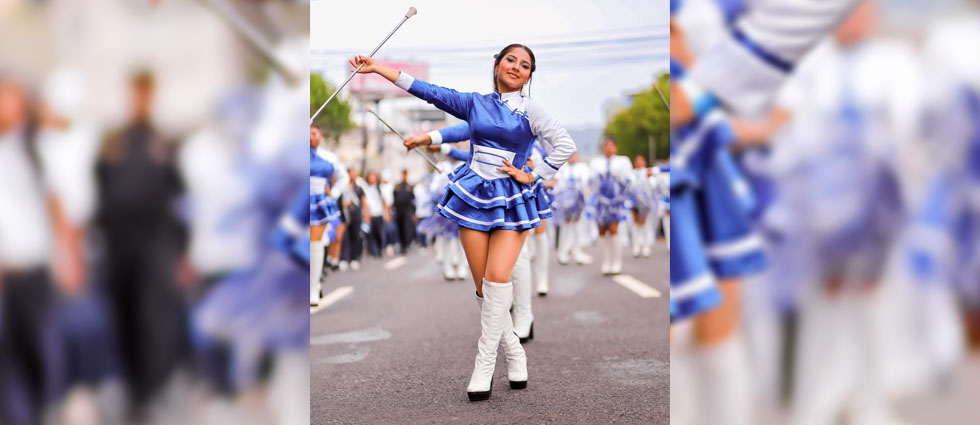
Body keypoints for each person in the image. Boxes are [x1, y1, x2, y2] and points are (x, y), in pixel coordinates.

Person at [351, 42, 576, 401]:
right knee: (484, 289)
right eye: (511, 60)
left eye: (525, 65)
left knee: (499, 279)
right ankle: (515, 352)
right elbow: (430, 92)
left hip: (513, 200)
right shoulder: (475, 103)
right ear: (498, 64)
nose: (517, 67)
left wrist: (533, 175)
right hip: (473, 197)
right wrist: (379, 69)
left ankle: (484, 364)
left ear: (531, 74)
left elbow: (564, 144)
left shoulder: (531, 109)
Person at [94, 70, 189, 418]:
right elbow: (99, 189)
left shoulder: (162, 143)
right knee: (124, 317)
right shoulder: (113, 142)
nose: (140, 101)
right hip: (119, 245)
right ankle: (132, 387)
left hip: (155, 244)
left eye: (145, 94)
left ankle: (151, 389)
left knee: (154, 320)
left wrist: (180, 249)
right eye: (136, 94)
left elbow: (180, 197)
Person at [589, 137, 634, 275]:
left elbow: (629, 179)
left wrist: (616, 175)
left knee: (614, 229)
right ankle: (606, 262)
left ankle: (616, 262)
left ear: (616, 148)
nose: (608, 148)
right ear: (603, 148)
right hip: (600, 203)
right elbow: (590, 181)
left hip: (616, 201)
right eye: (606, 145)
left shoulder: (623, 161)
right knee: (602, 231)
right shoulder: (596, 162)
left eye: (611, 145)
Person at [310, 125, 342, 306]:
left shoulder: (329, 157)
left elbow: (342, 177)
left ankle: (313, 289)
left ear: (321, 136)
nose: (309, 137)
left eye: (313, 134)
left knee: (314, 244)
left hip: (318, 204)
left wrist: (334, 194)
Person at [553, 152, 591, 265]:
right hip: (565, 205)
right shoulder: (562, 168)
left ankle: (577, 252)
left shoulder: (582, 168)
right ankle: (562, 253)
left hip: (578, 204)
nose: (573, 158)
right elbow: (557, 183)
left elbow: (586, 184)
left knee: (577, 228)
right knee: (565, 228)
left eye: (575, 155)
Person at [339, 167, 367, 271]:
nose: (353, 175)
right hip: (345, 216)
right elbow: (338, 200)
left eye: (354, 173)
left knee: (355, 236)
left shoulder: (359, 188)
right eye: (351, 173)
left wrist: (366, 215)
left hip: (356, 215)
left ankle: (353, 258)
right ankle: (343, 259)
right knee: (344, 237)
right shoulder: (344, 187)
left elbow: (364, 202)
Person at [362, 171, 389, 258]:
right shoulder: (366, 188)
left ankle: (380, 248)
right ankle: (373, 251)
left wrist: (386, 213)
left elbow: (384, 201)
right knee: (371, 233)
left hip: (379, 213)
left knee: (379, 233)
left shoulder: (379, 188)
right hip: (371, 214)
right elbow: (364, 201)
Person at [392, 169, 416, 254]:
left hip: (407, 210)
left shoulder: (409, 187)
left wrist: (413, 212)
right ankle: (402, 245)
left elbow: (413, 200)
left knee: (407, 228)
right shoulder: (398, 186)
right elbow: (394, 197)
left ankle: (406, 245)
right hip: (399, 210)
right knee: (400, 228)